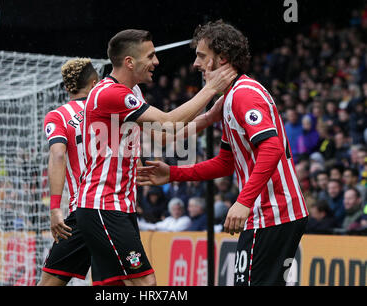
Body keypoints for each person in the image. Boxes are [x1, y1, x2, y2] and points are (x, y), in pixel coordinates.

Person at [137, 20, 309, 286]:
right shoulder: (229, 98)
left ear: (223, 59)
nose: (195, 64)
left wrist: (243, 201)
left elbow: (272, 146)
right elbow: (225, 163)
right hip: (267, 214)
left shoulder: (243, 95)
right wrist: (173, 173)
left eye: (202, 56)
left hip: (273, 213)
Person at [75, 29, 237, 286]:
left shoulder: (132, 93)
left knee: (113, 288)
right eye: (150, 56)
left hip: (116, 206)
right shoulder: (111, 93)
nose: (157, 62)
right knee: (146, 283)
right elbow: (168, 121)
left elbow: (162, 138)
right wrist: (211, 89)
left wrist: (207, 118)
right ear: (129, 62)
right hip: (103, 206)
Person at [38, 58, 99, 286]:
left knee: (49, 283)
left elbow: (58, 155)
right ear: (95, 84)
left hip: (83, 211)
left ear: (66, 87)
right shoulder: (110, 112)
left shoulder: (59, 116)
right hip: (116, 211)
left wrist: (55, 208)